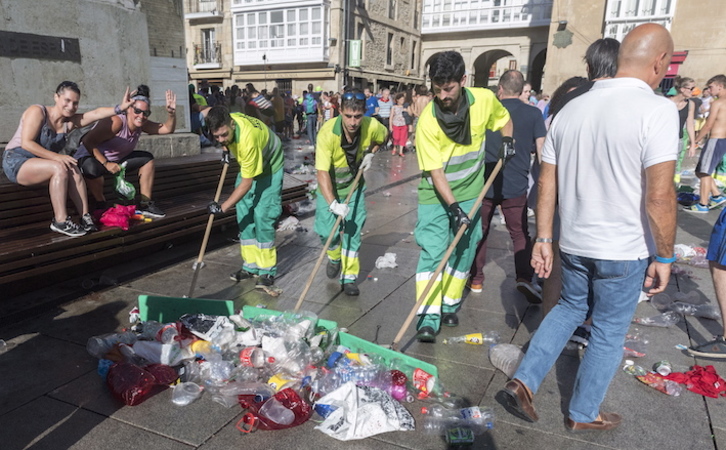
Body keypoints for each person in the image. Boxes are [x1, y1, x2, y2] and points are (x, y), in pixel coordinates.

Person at [499, 23, 678, 432]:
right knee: (609, 330)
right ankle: (583, 412)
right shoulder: (657, 109)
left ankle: (523, 382)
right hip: (623, 246)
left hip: (574, 240)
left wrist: (544, 237)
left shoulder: (571, 108)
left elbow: (547, 181)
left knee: (567, 309)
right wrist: (665, 254)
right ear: (659, 62)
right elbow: (660, 196)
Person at [413, 51, 513, 342]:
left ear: (463, 80)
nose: (443, 95)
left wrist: (507, 139)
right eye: (437, 88)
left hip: (471, 192)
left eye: (449, 88)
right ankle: (427, 317)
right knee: (433, 252)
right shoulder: (427, 122)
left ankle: (448, 304)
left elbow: (504, 120)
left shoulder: (483, 100)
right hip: (435, 195)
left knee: (464, 249)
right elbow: (436, 173)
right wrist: (453, 207)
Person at [2, 81, 133, 237]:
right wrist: (58, 157)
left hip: (42, 163)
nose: (71, 106)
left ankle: (85, 217)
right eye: (67, 101)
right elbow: (27, 143)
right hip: (17, 161)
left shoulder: (69, 123)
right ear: (56, 97)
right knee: (60, 166)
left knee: (73, 166)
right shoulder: (37, 112)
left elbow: (95, 114)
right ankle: (60, 221)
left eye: (75, 103)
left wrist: (120, 108)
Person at [468, 70, 546, 302]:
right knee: (519, 233)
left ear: (500, 88)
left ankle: (476, 279)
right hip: (516, 183)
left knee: (480, 231)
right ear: (522, 89)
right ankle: (523, 277)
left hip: (485, 182)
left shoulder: (488, 111)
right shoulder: (533, 114)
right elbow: (542, 153)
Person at [314, 90, 388, 296]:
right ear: (340, 112)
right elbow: (321, 172)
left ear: (364, 113)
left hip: (354, 186)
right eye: (348, 116)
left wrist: (371, 154)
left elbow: (384, 137)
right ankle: (334, 255)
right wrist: (333, 204)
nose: (353, 122)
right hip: (330, 186)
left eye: (357, 116)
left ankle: (349, 278)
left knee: (353, 231)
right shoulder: (327, 133)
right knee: (325, 231)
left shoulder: (371, 126)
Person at [205, 106, 284, 294]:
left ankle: (266, 271)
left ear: (231, 124)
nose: (221, 139)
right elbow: (208, 112)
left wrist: (222, 207)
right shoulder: (228, 119)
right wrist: (225, 149)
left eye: (224, 135)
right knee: (244, 213)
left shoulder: (248, 139)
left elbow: (246, 184)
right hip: (250, 162)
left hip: (270, 165)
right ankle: (250, 266)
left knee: (263, 215)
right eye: (217, 137)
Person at [75, 85, 176, 218]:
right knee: (92, 169)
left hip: (115, 162)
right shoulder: (116, 122)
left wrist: (171, 114)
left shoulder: (142, 124)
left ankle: (145, 203)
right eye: (137, 111)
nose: (141, 116)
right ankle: (100, 203)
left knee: (148, 159)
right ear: (128, 109)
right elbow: (88, 142)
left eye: (146, 113)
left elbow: (167, 129)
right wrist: (106, 164)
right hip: (91, 157)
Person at [687, 75, 726, 213]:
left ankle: (703, 204)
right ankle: (716, 195)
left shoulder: (717, 103)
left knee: (704, 172)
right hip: (722, 141)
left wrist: (695, 141)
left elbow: (708, 125)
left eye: (711, 87)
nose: (709, 90)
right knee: (699, 171)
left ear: (720, 86)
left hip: (715, 140)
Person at [670, 76, 698, 186]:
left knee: (675, 164)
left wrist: (692, 144)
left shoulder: (690, 104)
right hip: (665, 139)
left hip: (679, 139)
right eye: (691, 88)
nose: (694, 91)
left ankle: (672, 187)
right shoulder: (667, 102)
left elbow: (690, 124)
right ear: (682, 89)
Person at [390, 92, 408, 157]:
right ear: (397, 100)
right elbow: (391, 116)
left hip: (404, 124)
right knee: (396, 137)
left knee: (402, 138)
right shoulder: (394, 107)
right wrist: (390, 126)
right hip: (396, 124)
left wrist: (407, 111)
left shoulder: (405, 107)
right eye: (401, 99)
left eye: (403, 99)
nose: (402, 101)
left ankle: (400, 151)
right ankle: (394, 147)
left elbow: (410, 113)